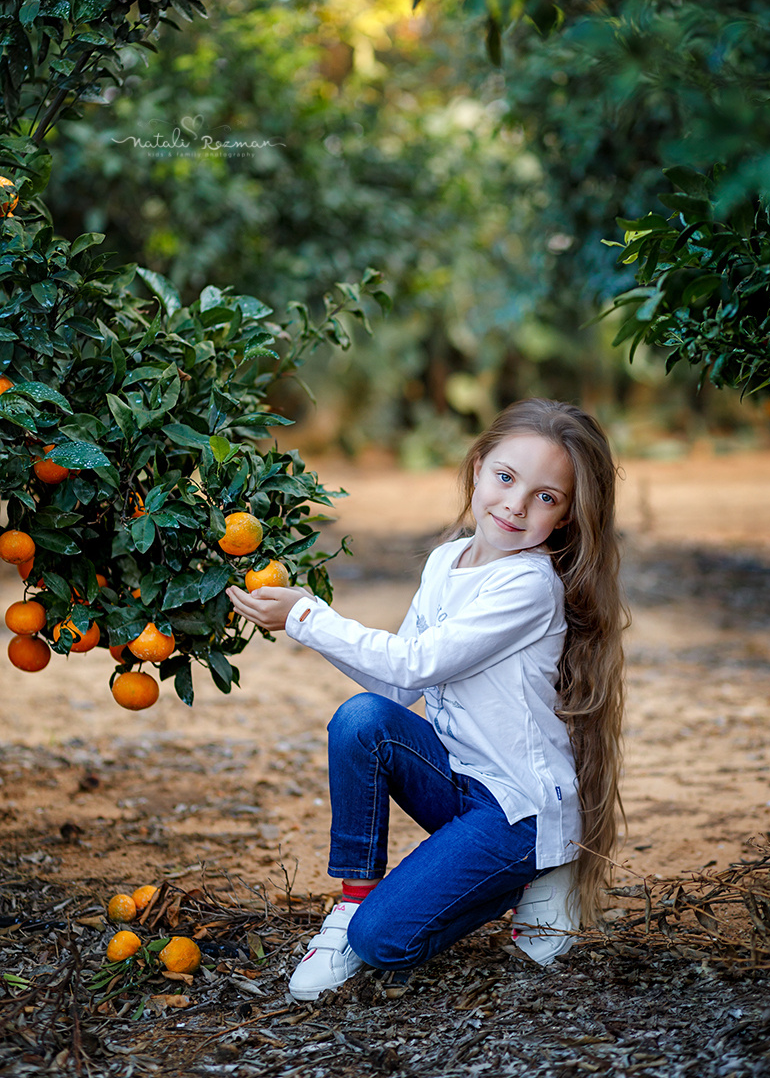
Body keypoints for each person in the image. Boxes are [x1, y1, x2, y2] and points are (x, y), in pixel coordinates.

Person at [227, 398, 626, 1001]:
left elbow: (418, 661)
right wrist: (304, 622)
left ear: (567, 517)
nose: (515, 505)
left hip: (514, 810)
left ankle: (531, 871)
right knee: (363, 721)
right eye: (506, 477)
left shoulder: (528, 585)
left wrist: (306, 615)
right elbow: (396, 687)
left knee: (384, 943)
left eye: (547, 496)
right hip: (458, 782)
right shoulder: (447, 560)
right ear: (477, 468)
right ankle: (352, 903)